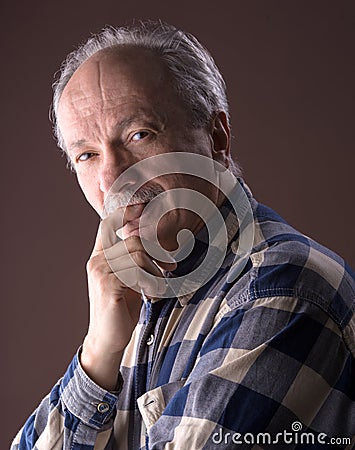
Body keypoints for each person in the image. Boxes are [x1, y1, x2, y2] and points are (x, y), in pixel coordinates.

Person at [11, 21, 355, 450]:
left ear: (217, 137)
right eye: (87, 155)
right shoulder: (136, 298)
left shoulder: (281, 290)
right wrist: (100, 350)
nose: (114, 178)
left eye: (139, 135)